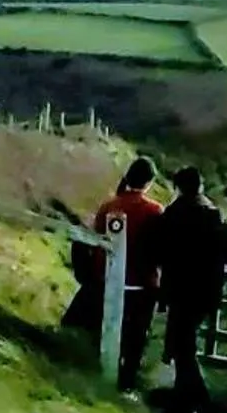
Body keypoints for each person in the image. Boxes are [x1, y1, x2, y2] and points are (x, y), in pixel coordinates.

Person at [62, 157, 167, 392]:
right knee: (136, 337)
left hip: (106, 281)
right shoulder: (154, 210)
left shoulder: (109, 206)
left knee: (104, 329)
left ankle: (97, 372)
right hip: (141, 284)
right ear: (149, 182)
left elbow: (95, 242)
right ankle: (127, 384)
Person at [151, 165, 227, 413]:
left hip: (178, 289)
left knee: (183, 348)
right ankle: (182, 407)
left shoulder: (172, 214)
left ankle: (205, 410)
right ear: (201, 185)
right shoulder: (212, 214)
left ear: (178, 187)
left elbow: (160, 251)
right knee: (182, 345)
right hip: (204, 291)